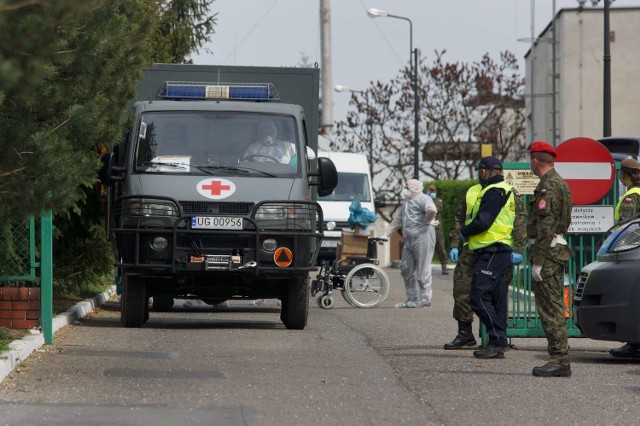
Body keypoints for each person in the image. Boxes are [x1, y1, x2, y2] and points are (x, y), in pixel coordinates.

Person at [445, 181, 527, 351]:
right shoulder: (472, 191)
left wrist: (518, 248)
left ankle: (497, 339)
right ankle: (465, 333)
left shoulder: (508, 192)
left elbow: (519, 221)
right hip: (472, 249)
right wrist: (454, 244)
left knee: (497, 295)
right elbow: (460, 219)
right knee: (461, 289)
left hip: (498, 250)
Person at [459, 156, 518, 359]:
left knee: (477, 297)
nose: (479, 175)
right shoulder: (505, 189)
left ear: (484, 171)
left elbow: (483, 221)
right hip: (498, 250)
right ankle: (497, 343)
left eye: (479, 171)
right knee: (497, 299)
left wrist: (465, 232)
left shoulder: (494, 191)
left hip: (492, 250)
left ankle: (498, 339)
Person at [528, 141, 573, 377]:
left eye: (531, 161)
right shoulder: (560, 183)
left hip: (548, 253)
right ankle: (560, 354)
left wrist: (538, 260)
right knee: (554, 306)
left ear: (535, 161)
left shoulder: (549, 186)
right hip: (556, 250)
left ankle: (559, 359)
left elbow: (546, 226)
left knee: (550, 308)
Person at [383, 179, 438, 308]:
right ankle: (411, 299)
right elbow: (397, 220)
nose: (405, 189)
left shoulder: (424, 199)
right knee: (405, 268)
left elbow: (432, 210)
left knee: (422, 270)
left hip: (423, 237)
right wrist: (385, 234)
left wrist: (426, 221)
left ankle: (425, 299)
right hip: (409, 240)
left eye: (407, 187)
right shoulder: (406, 204)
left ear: (414, 188)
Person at [608, 158, 640, 358]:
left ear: (627, 174)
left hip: (631, 253)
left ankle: (634, 344)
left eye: (622, 173)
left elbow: (627, 226)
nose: (620, 177)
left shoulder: (632, 196)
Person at [426, 184, 448, 275]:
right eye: (430, 191)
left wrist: (431, 200)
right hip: (427, 227)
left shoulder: (438, 201)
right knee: (427, 248)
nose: (432, 193)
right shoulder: (425, 200)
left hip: (437, 228)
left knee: (441, 247)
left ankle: (444, 267)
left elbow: (437, 209)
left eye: (433, 191)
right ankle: (426, 267)